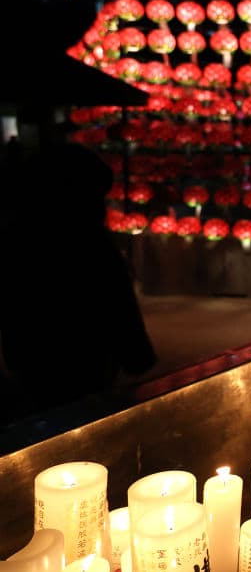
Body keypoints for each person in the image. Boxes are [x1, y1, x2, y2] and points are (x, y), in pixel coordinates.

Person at [0, 118, 157, 422]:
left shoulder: (17, 240)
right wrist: (137, 355)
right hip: (88, 362)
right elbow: (118, 304)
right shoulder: (91, 244)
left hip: (33, 362)